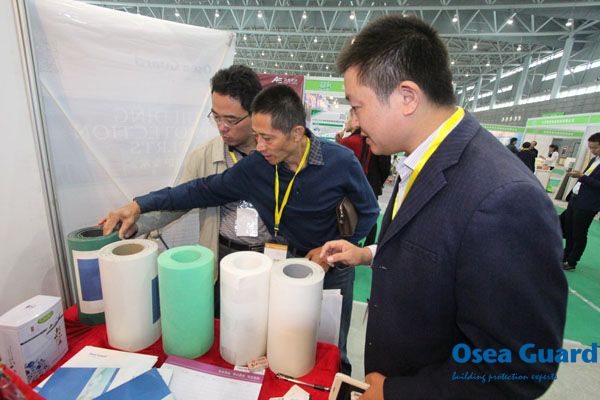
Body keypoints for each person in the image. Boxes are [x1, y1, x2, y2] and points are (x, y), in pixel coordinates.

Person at [320, 15, 567, 399]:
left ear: (407, 97)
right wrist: (368, 254)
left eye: (357, 106)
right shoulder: (422, 159)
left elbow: (521, 367)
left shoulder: (504, 198)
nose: (354, 121)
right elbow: (440, 250)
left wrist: (397, 393)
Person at [101, 84, 380, 375]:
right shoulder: (258, 166)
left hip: (332, 267)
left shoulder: (340, 162)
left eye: (267, 138)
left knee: (330, 348)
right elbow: (199, 190)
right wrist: (138, 206)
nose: (259, 147)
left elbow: (370, 212)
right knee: (287, 346)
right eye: (257, 136)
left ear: (297, 133)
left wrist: (333, 250)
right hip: (283, 265)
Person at [130, 65, 267, 316]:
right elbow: (178, 202)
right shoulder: (204, 156)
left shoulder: (276, 155)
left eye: (231, 120)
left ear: (255, 113)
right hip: (222, 256)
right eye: (216, 117)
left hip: (268, 258)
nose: (222, 127)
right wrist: (136, 225)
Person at [339, 111, 391, 245]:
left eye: (348, 118)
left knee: (347, 214)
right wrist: (378, 182)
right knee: (371, 215)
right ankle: (368, 244)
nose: (346, 121)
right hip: (372, 184)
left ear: (356, 121)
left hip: (349, 187)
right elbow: (385, 167)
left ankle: (350, 243)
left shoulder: (347, 142)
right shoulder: (377, 141)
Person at [560, 132, 600, 271]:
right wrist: (579, 176)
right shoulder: (594, 160)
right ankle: (565, 255)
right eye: (590, 147)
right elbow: (587, 177)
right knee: (569, 230)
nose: (592, 150)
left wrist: (582, 176)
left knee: (579, 233)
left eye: (595, 147)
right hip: (576, 199)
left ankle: (572, 261)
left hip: (588, 204)